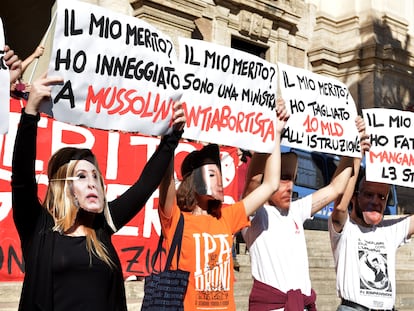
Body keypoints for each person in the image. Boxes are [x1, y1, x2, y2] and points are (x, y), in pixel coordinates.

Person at [11, 72, 186, 311]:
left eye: (96, 176)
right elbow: (21, 180)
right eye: (82, 176)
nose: (93, 183)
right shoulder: (38, 228)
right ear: (64, 186)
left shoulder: (103, 226)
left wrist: (172, 137)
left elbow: (144, 186)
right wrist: (30, 113)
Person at [157, 99, 289, 310]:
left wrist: (275, 133)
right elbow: (165, 179)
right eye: (212, 173)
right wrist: (169, 137)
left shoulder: (227, 217)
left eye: (220, 173)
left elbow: (271, 183)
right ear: (194, 181)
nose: (220, 181)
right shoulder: (175, 219)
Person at [241, 116, 369, 310]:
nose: (290, 185)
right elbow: (252, 181)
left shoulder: (296, 211)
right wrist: (270, 132)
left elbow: (336, 188)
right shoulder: (255, 215)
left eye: (292, 178)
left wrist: (354, 150)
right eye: (283, 178)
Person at [329, 123, 414, 310]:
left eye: (382, 197)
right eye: (368, 194)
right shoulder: (345, 229)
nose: (376, 201)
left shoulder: (389, 231)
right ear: (354, 197)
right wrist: (356, 155)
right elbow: (340, 204)